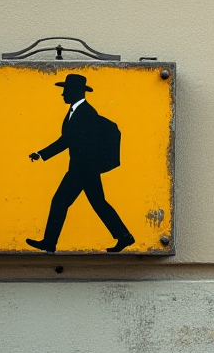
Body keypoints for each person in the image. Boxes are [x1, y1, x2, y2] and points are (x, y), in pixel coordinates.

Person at [27, 74, 135, 254]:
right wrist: (41, 154)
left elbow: (67, 140)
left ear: (75, 91)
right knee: (98, 203)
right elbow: (67, 139)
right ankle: (124, 236)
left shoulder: (85, 113)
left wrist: (42, 154)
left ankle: (49, 242)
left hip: (81, 169)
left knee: (60, 202)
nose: (63, 94)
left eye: (66, 90)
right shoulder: (75, 111)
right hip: (85, 169)